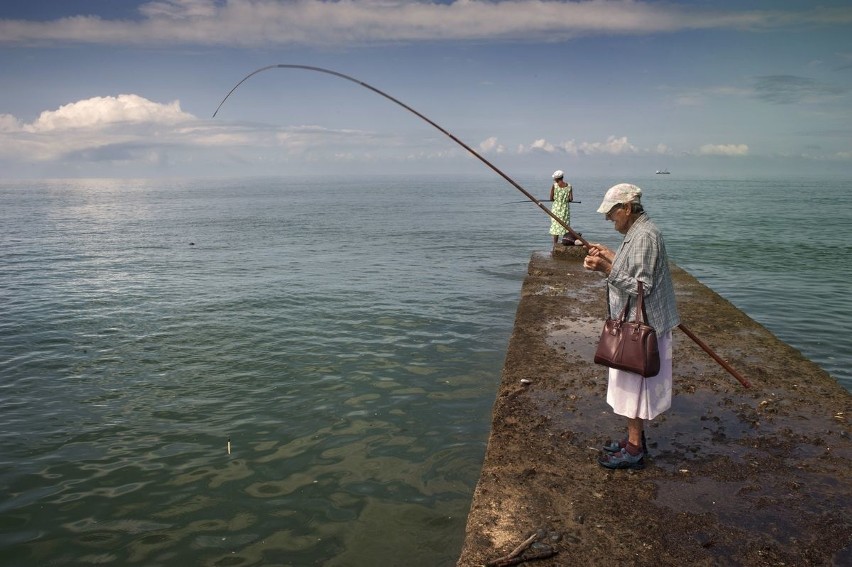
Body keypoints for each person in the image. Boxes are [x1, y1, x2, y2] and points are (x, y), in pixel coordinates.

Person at [582, 183, 680, 470]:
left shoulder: (645, 236)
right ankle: (634, 440)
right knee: (632, 387)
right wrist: (611, 255)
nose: (608, 219)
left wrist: (606, 269)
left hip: (641, 329)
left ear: (626, 208)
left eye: (612, 213)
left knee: (632, 388)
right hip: (639, 325)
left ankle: (635, 448)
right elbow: (636, 269)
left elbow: (642, 287)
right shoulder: (637, 232)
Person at [548, 170, 573, 248]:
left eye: (554, 178)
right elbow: (571, 199)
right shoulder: (569, 186)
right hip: (565, 209)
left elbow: (551, 198)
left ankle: (555, 244)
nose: (554, 180)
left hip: (556, 208)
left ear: (557, 178)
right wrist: (565, 199)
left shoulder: (554, 186)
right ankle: (564, 242)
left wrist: (557, 199)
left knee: (555, 226)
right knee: (565, 225)